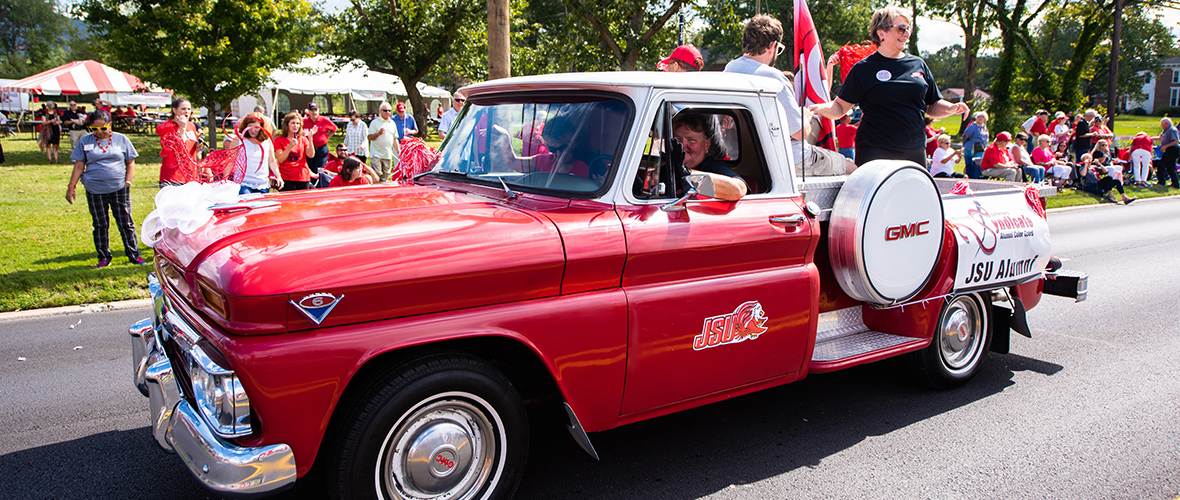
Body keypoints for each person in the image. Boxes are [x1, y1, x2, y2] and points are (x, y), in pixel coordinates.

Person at [808, 5, 969, 167]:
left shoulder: (918, 64)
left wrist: (951, 108)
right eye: (900, 28)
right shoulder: (864, 69)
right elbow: (839, 108)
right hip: (875, 150)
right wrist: (819, 108)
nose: (906, 34)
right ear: (881, 33)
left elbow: (932, 104)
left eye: (908, 29)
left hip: (914, 150)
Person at [726, 14, 854, 176]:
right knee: (852, 168)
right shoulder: (773, 77)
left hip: (743, 160)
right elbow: (800, 133)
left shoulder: (729, 71)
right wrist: (805, 118)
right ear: (772, 46)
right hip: (788, 159)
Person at [65, 110, 145, 268]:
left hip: (119, 187)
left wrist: (128, 180)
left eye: (103, 128)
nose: (99, 132)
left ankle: (134, 254)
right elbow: (79, 165)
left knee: (125, 222)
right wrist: (71, 186)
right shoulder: (84, 142)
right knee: (100, 224)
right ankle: (103, 256)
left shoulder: (121, 139)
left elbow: (130, 161)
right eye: (94, 129)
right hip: (95, 189)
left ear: (110, 125)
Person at [671, 112, 748, 201]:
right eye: (677, 139)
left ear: (706, 145)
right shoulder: (668, 168)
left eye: (691, 140)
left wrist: (688, 174)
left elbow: (738, 190)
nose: (683, 145)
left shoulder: (714, 167)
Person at [224, 115, 283, 194]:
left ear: (261, 127)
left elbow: (272, 161)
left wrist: (278, 175)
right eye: (249, 126)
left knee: (262, 205)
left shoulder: (267, 141)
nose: (252, 130)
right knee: (247, 203)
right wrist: (225, 178)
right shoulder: (239, 140)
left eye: (256, 127)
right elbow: (230, 160)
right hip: (243, 182)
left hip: (262, 182)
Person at [156, 97, 201, 186]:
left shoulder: (191, 126)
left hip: (190, 175)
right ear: (174, 110)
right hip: (173, 176)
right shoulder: (167, 127)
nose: (186, 111)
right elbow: (179, 149)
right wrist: (182, 128)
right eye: (183, 109)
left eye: (188, 109)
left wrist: (197, 145)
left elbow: (189, 147)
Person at [272, 111, 316, 191]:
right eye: (293, 123)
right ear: (287, 124)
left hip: (302, 176)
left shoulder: (303, 139)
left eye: (298, 123)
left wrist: (310, 139)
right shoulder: (279, 139)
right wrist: (290, 146)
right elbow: (280, 159)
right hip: (286, 176)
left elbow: (311, 155)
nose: (295, 126)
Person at [302, 102, 336, 182]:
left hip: (321, 149)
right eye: (312, 110)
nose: (314, 112)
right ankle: (311, 185)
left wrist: (327, 138)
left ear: (318, 110)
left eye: (315, 110)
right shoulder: (304, 121)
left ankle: (320, 185)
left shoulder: (324, 120)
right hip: (309, 149)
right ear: (308, 111)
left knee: (320, 169)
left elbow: (334, 129)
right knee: (310, 167)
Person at [368, 102, 400, 182]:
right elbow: (369, 137)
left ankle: (382, 192)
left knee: (386, 175)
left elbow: (395, 139)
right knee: (377, 173)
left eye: (389, 110)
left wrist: (398, 151)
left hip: (387, 154)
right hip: (376, 153)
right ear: (380, 111)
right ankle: (375, 190)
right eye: (385, 110)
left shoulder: (392, 123)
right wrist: (378, 133)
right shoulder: (375, 122)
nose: (387, 112)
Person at [960, 111, 989, 178]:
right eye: (979, 117)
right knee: (972, 165)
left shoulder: (984, 127)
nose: (980, 118)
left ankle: (978, 177)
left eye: (982, 117)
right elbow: (965, 135)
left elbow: (986, 137)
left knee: (979, 164)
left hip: (980, 149)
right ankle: (972, 178)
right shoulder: (973, 126)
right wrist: (964, 145)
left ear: (985, 119)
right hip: (971, 148)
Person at [1155, 117, 1179, 188]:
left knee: (1161, 165)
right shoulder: (1166, 130)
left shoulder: (1172, 130)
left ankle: (1161, 182)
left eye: (1162, 124)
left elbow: (1176, 140)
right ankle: (1175, 183)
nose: (1161, 125)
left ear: (1166, 123)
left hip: (1173, 149)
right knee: (1170, 166)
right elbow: (1160, 138)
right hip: (1170, 149)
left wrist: (1165, 146)